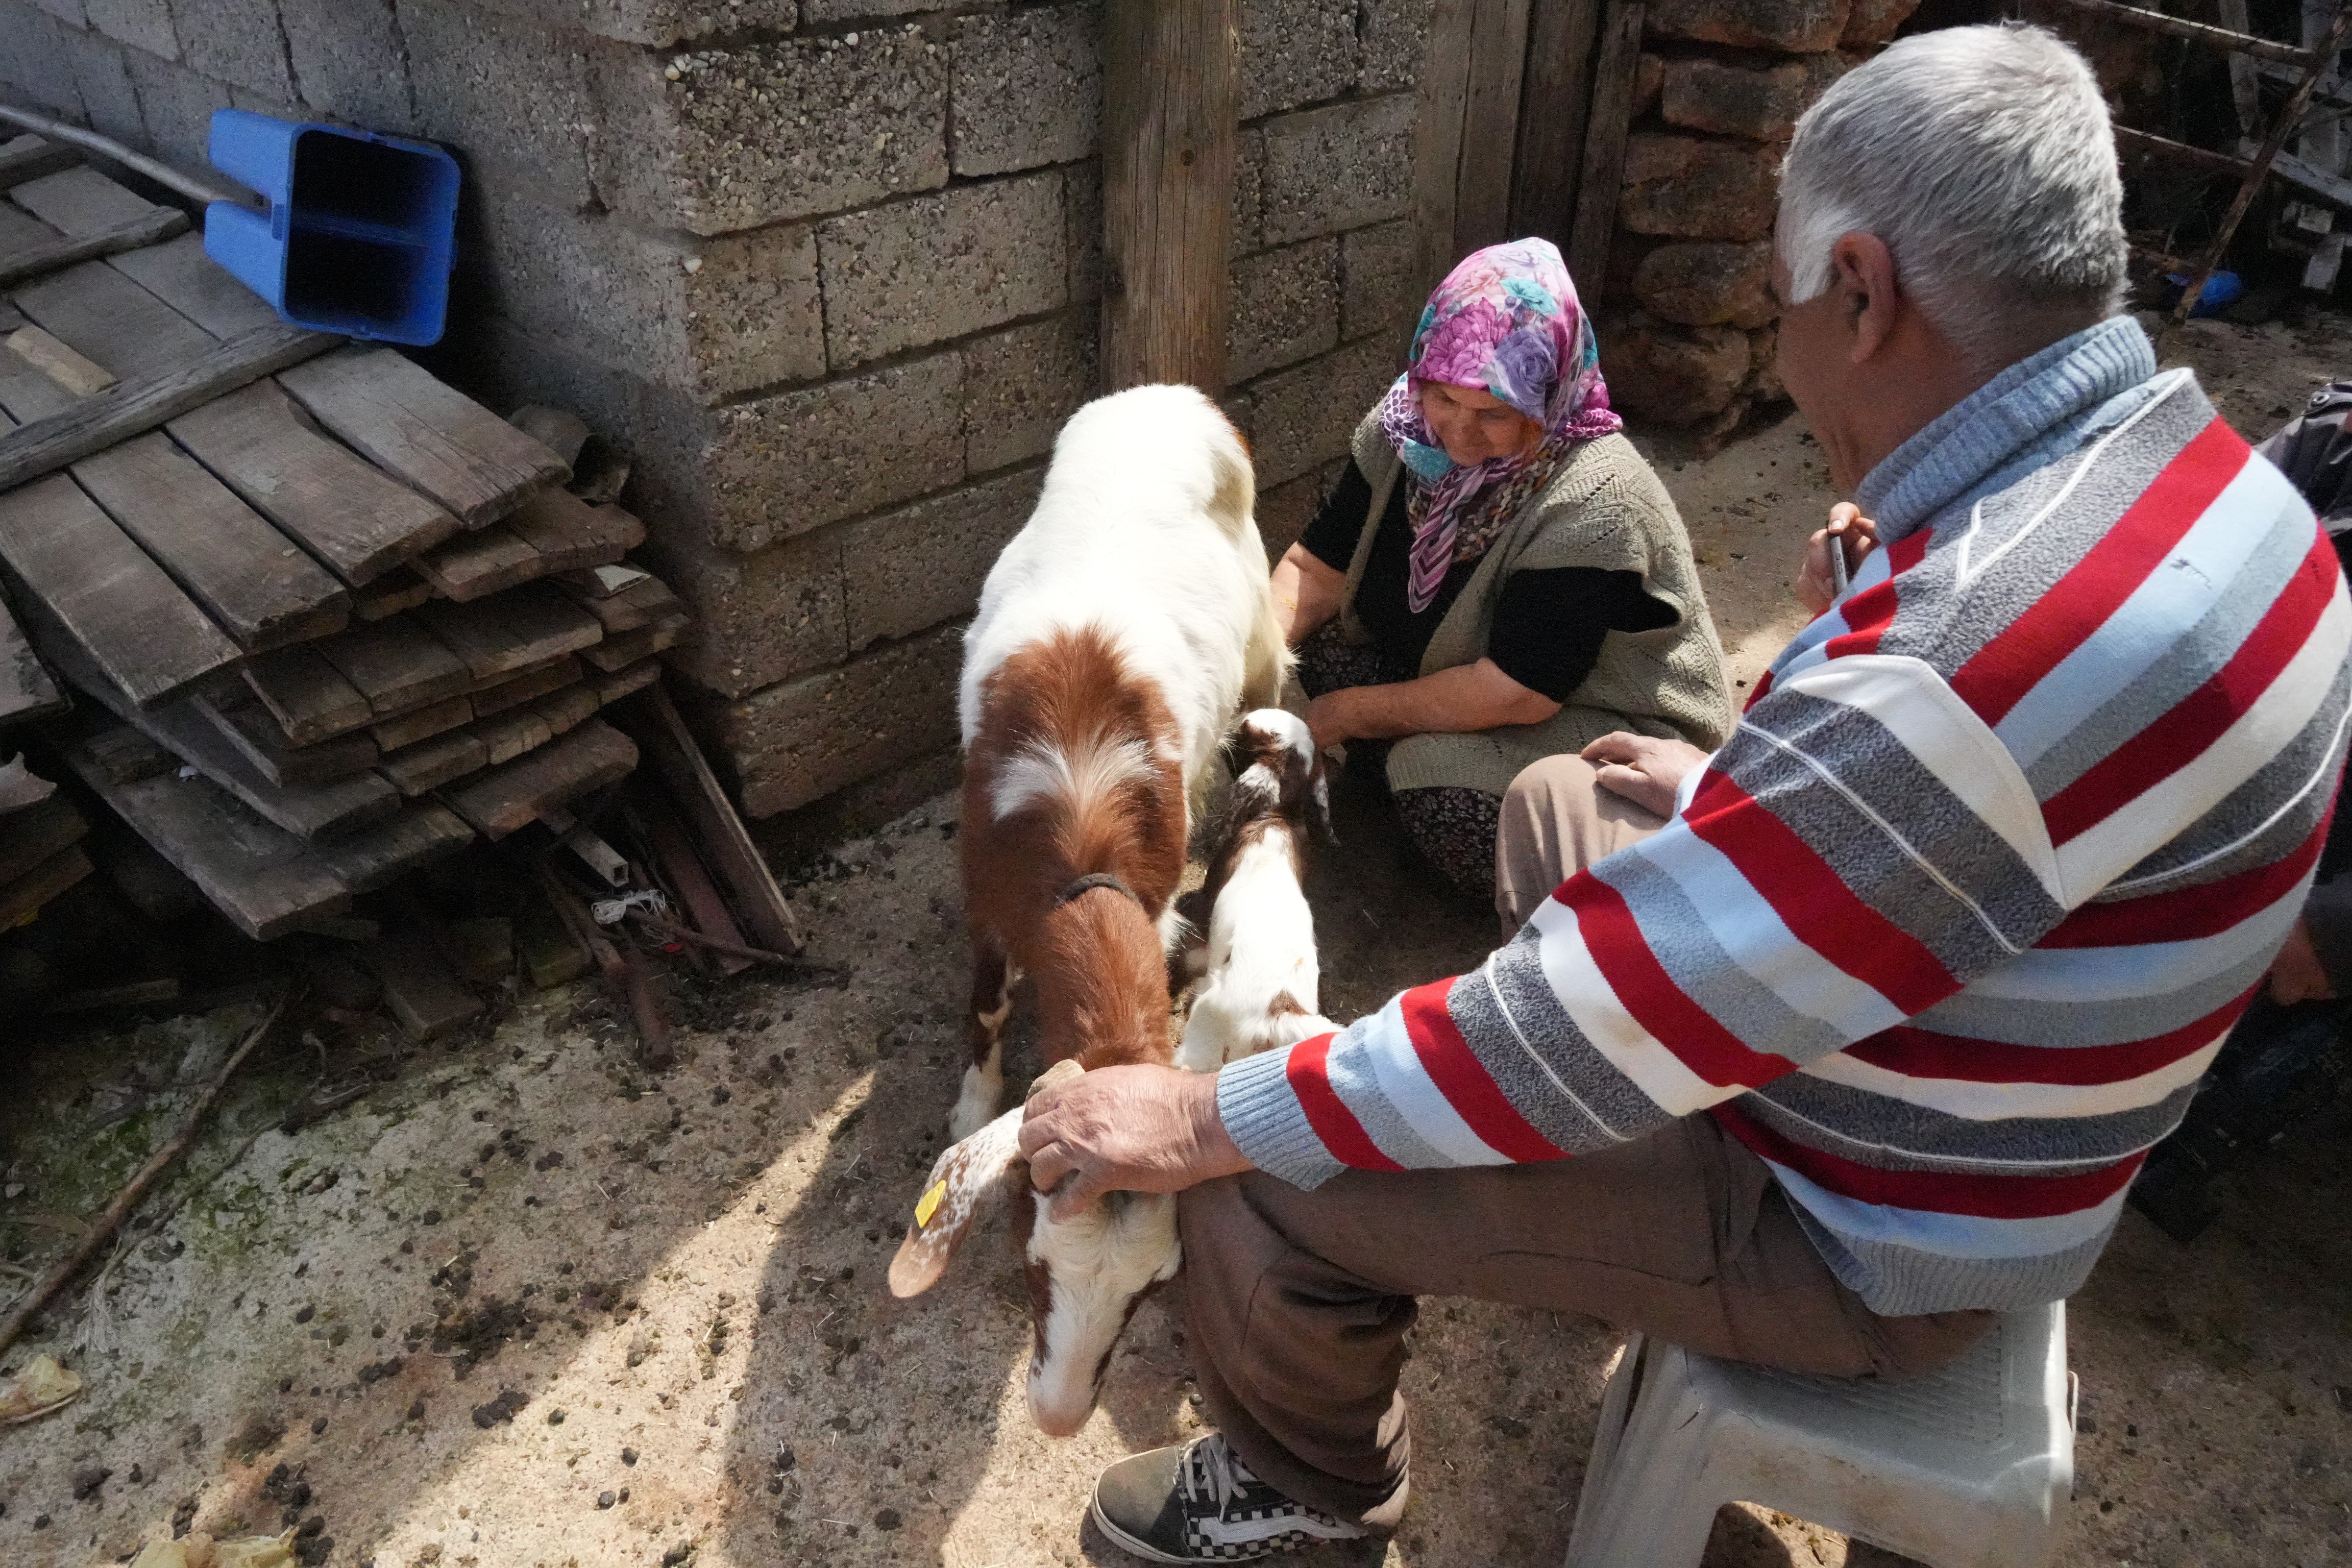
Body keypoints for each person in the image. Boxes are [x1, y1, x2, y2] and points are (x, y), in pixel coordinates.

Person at [1017, 24, 2352, 1564]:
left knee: (1272, 1168)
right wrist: (1745, 789)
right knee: (1552, 816)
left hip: (1865, 1219)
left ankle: (1307, 1497)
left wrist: (1205, 1110)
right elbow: (1972, 822)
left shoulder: (1961, 662)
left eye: (1785, 306)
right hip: (1979, 1084)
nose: (1781, 350)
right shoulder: (2238, 494)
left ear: (1859, 287)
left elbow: (1576, 1039)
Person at [1271, 238, 1731, 912]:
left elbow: (1522, 692)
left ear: (1548, 401)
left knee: (1432, 784)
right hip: (1456, 666)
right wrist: (1244, 665)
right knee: (1305, 660)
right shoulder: (1402, 430)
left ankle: (1589, 898)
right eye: (1445, 401)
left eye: (1494, 414)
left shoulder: (1595, 501)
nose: (1458, 437)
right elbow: (1316, 566)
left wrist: (1340, 717)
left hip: (1595, 715)